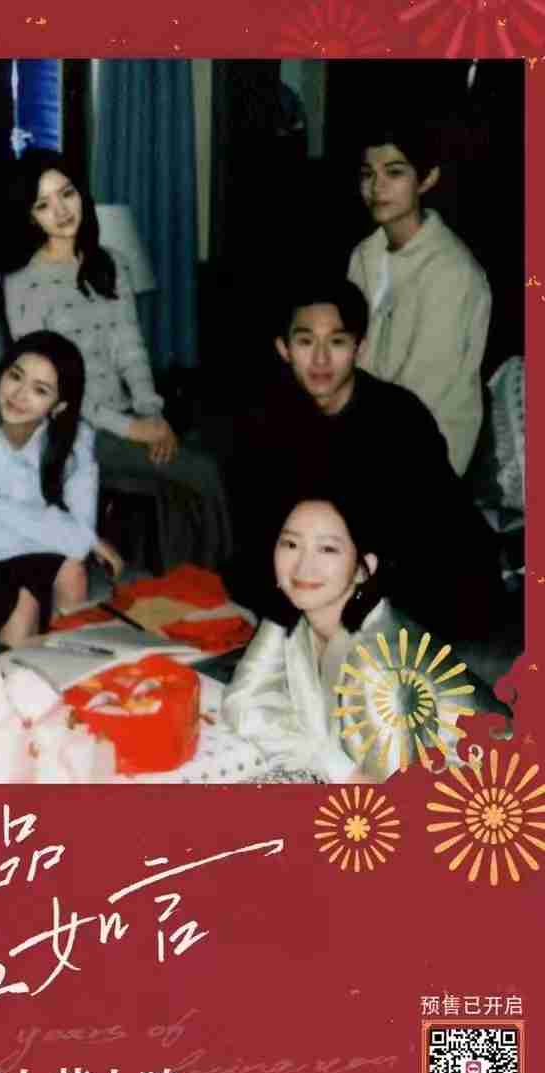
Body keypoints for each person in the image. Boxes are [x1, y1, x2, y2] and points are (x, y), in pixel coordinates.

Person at [224, 275, 504, 643]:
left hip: (416, 575)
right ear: (284, 348)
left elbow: (420, 538)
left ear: (359, 347)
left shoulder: (399, 417)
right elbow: (259, 530)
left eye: (337, 342)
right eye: (305, 341)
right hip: (326, 568)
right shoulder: (263, 420)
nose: (321, 359)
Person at [2, 147, 232, 571]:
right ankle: (227, 585)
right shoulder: (23, 284)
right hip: (71, 430)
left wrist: (151, 413)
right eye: (43, 204)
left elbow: (131, 348)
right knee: (201, 471)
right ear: (31, 217)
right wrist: (134, 429)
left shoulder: (111, 263)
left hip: (126, 416)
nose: (61, 210)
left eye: (67, 193)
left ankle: (187, 595)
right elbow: (47, 388)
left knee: (181, 487)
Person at [222, 491, 508, 783]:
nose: (303, 566)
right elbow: (243, 701)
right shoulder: (297, 610)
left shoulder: (379, 666)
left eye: (327, 549)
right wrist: (334, 765)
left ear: (364, 568)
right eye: (291, 544)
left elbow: (393, 802)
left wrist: (336, 771)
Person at [0, 330, 123, 647]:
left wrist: (79, 538)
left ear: (59, 405)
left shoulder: (76, 439)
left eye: (40, 390)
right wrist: (80, 537)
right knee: (23, 598)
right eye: (15, 376)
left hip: (34, 543)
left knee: (72, 569)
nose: (19, 394)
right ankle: (15, 676)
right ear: (1, 374)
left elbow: (78, 536)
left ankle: (72, 667)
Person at [348, 123, 491, 475]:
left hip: (426, 454)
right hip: (363, 429)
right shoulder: (364, 255)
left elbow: (420, 394)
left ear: (427, 179)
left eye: (394, 172)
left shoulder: (453, 272)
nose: (377, 186)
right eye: (368, 174)